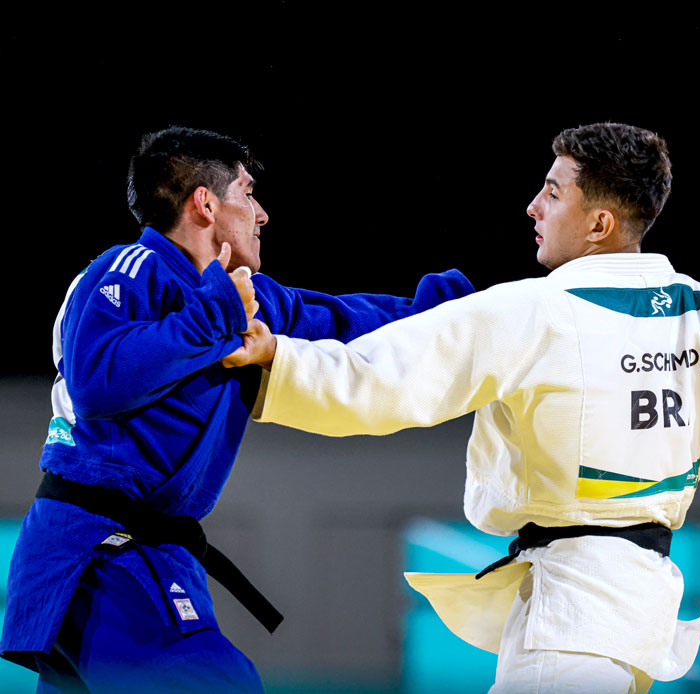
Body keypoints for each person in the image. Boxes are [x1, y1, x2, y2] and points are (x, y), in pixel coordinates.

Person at [224, 122, 700, 693]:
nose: (532, 207)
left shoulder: (536, 312)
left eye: (551, 192)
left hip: (571, 620)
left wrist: (276, 365)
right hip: (639, 612)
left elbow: (386, 379)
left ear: (599, 223)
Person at [0, 126, 474, 693]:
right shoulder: (127, 269)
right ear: (205, 202)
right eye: (247, 193)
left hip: (148, 554)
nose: (262, 213)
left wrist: (447, 315)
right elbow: (101, 381)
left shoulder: (249, 296)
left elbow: (343, 322)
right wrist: (215, 315)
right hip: (97, 550)